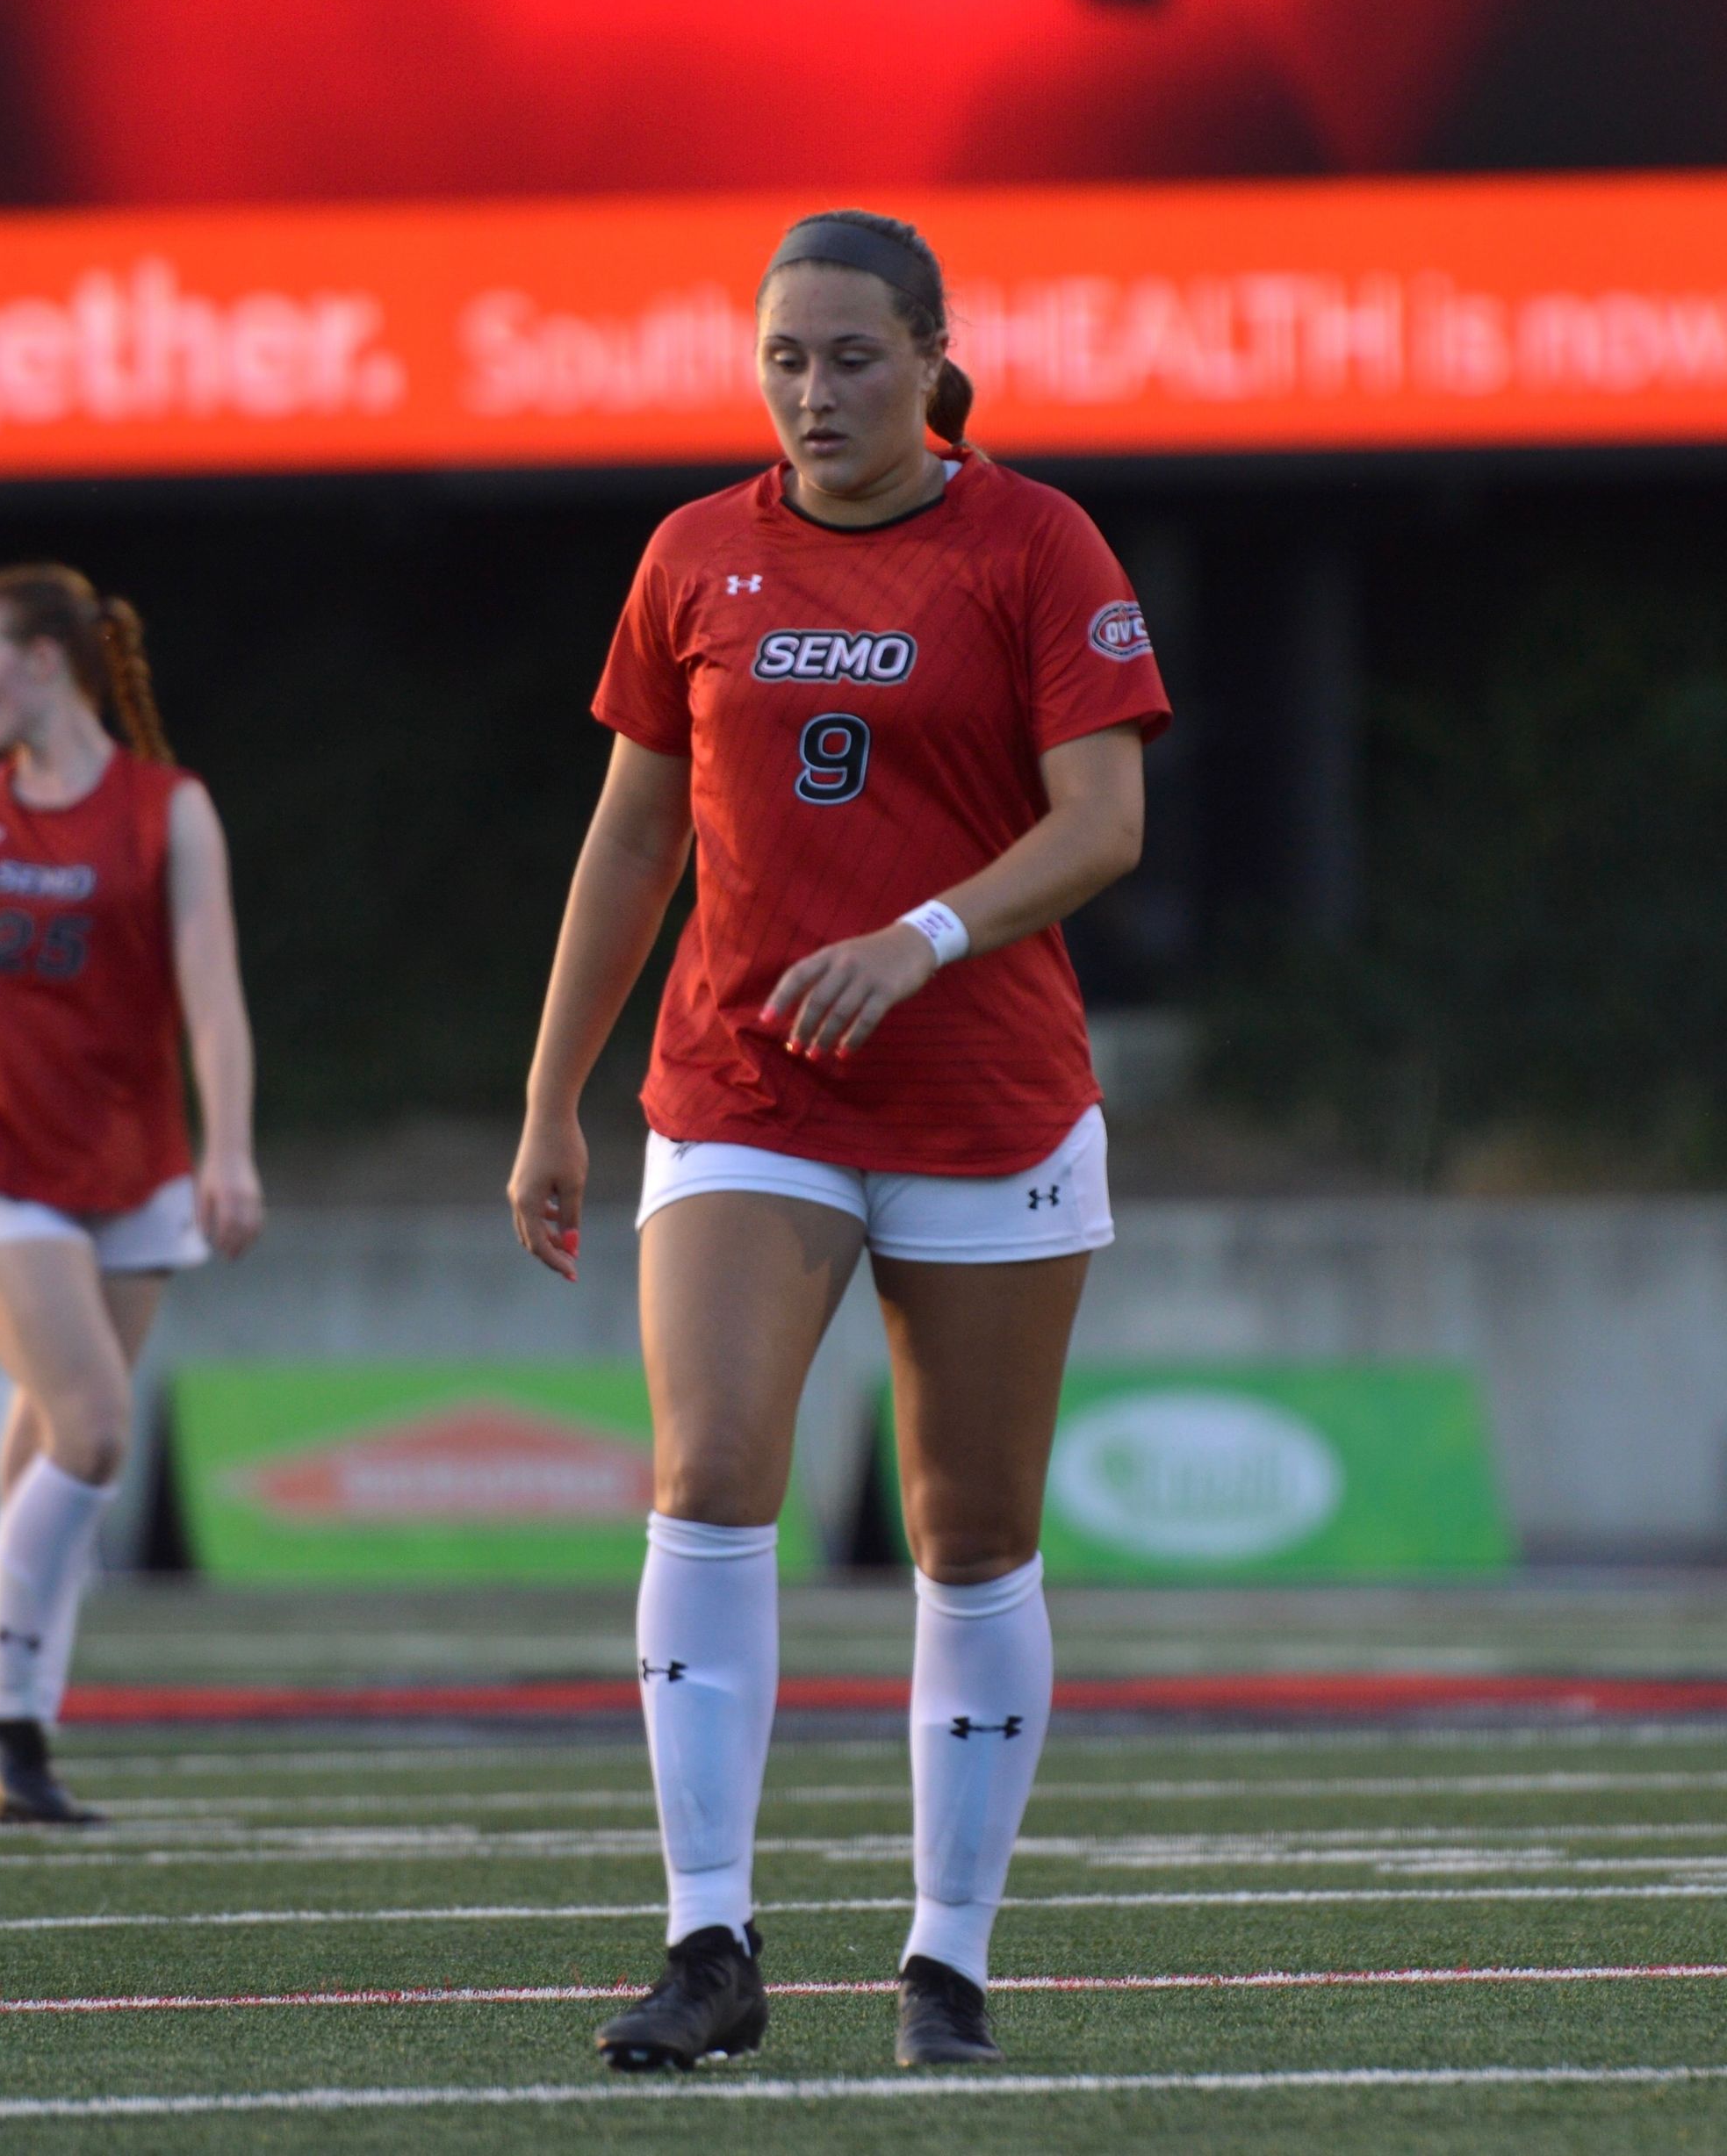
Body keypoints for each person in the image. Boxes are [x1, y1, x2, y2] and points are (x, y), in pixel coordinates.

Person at [509, 210, 1167, 2073]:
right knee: (710, 1466)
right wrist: (557, 1090)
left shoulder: (1037, 543)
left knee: (972, 1529)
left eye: (853, 356)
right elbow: (635, 839)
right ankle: (707, 1937)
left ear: (933, 353)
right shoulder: (693, 554)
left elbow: (1103, 816)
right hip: (743, 1088)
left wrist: (926, 934)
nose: (814, 391)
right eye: (785, 357)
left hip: (985, 1099)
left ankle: (947, 1956)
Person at [0, 565, 262, 1828]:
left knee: (52, 1432)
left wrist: (229, 1150)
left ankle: (16, 1719)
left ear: (44, 661)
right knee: (93, 1430)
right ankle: (8, 1720)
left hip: (136, 1169)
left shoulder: (170, 809)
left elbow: (213, 1002)